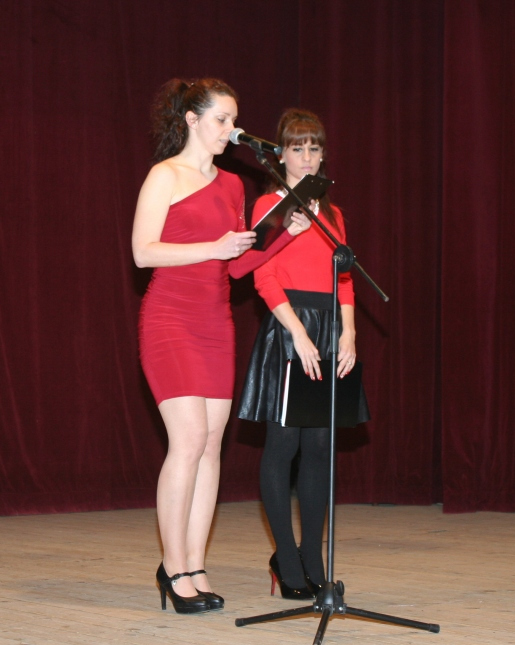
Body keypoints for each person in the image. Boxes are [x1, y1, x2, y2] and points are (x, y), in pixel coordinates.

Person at [132, 79, 305, 613]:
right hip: (170, 318)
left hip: (215, 321)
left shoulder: (232, 185)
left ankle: (195, 566)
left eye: (234, 120)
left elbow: (233, 267)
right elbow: (143, 252)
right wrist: (214, 245)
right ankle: (173, 568)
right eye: (222, 120)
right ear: (191, 119)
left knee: (210, 446)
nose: (232, 130)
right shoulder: (165, 175)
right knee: (186, 441)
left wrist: (285, 234)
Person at [236, 109, 370, 598]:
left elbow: (345, 278)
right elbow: (263, 276)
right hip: (289, 327)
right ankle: (286, 560)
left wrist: (348, 333)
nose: (307, 157)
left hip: (330, 327)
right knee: (284, 446)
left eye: (314, 148)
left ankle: (313, 557)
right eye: (298, 148)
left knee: (319, 448)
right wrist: (296, 332)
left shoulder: (334, 215)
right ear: (281, 154)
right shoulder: (269, 205)